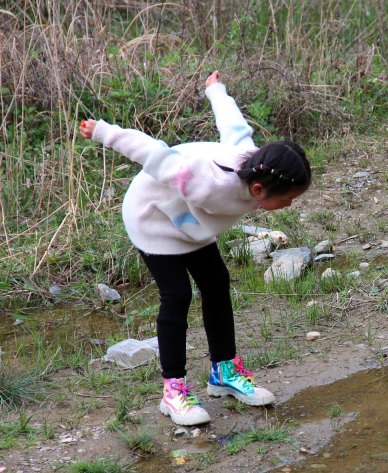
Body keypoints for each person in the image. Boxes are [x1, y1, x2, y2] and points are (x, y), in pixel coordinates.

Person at [80, 71, 312, 426]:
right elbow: (155, 153)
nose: (290, 206)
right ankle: (173, 391)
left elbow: (233, 125)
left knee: (216, 283)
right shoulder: (204, 179)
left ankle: (224, 373)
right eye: (288, 199)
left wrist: (216, 90)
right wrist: (104, 132)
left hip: (191, 224)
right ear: (259, 190)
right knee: (177, 296)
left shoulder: (252, 162)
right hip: (152, 217)